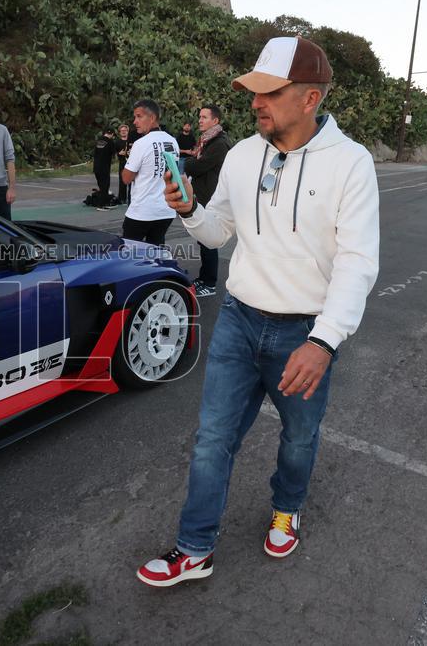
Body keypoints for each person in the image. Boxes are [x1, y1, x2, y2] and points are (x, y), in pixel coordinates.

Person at [136, 36, 380, 587]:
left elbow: (358, 262)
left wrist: (324, 341)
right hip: (240, 322)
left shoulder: (351, 164)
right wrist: (190, 211)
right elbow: (218, 230)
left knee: (297, 439)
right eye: (253, 91)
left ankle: (287, 507)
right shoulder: (245, 154)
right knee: (211, 439)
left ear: (310, 98)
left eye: (270, 92)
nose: (256, 102)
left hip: (304, 333)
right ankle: (194, 548)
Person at [183, 104, 231, 297]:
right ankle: (204, 278)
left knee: (208, 241)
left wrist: (185, 163)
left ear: (215, 121)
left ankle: (209, 283)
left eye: (204, 117)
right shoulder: (207, 141)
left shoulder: (219, 143)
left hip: (211, 197)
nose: (200, 120)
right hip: (203, 194)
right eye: (200, 117)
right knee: (203, 240)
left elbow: (198, 166)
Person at [120, 99, 179, 246]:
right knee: (156, 253)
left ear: (152, 118)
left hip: (142, 211)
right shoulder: (173, 141)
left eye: (139, 117)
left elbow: (126, 178)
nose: (135, 121)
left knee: (130, 256)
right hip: (166, 210)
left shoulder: (142, 143)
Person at [92, 127, 117, 209]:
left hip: (96, 167)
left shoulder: (98, 141)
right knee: (105, 186)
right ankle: (101, 205)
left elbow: (95, 153)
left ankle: (104, 203)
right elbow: (114, 154)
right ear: (112, 134)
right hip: (104, 168)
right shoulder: (110, 142)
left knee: (101, 186)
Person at [115, 124, 134, 205]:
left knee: (131, 182)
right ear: (119, 132)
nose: (123, 132)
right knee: (122, 181)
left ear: (127, 131)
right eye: (122, 131)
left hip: (131, 163)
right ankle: (122, 198)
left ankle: (131, 198)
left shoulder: (131, 141)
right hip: (122, 163)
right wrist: (119, 153)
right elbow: (115, 153)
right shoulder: (117, 142)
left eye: (125, 130)